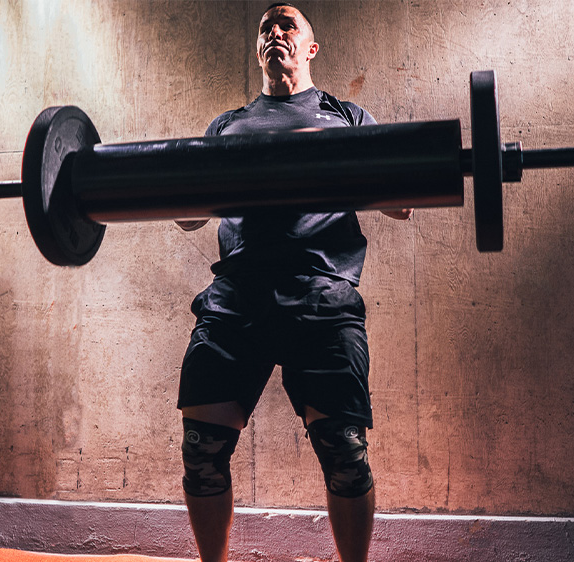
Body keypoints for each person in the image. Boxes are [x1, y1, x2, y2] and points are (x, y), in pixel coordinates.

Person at [174, 4, 411, 561]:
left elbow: (400, 203)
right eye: (266, 28)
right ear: (260, 49)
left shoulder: (347, 117)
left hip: (321, 297)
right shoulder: (227, 126)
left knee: (345, 454)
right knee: (202, 451)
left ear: (311, 48)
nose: (275, 33)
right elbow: (188, 215)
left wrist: (381, 171)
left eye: (288, 26)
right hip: (237, 299)